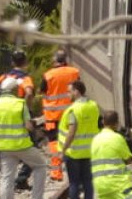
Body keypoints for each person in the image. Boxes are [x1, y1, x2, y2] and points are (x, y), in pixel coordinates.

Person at [0, 77, 48, 199]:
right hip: (22, 145)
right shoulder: (20, 104)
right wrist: (34, 125)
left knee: (7, 177)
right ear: (14, 90)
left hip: (4, 147)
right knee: (41, 165)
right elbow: (28, 127)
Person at [0, 48, 36, 189]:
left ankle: (2, 170)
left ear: (12, 61)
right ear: (25, 61)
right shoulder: (24, 78)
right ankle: (21, 179)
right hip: (19, 113)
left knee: (4, 143)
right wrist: (25, 108)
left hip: (3, 112)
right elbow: (28, 93)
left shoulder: (4, 77)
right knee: (32, 146)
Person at [41, 50, 81, 181]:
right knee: (72, 142)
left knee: (54, 143)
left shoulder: (48, 75)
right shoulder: (74, 72)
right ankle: (76, 173)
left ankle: (56, 173)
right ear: (65, 60)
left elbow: (42, 91)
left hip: (52, 116)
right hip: (70, 113)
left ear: (54, 60)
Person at [60, 80, 101, 199]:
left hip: (74, 153)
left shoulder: (74, 110)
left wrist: (63, 149)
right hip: (89, 151)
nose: (68, 95)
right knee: (88, 181)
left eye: (69, 92)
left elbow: (71, 132)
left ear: (76, 92)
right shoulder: (93, 106)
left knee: (74, 183)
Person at [90, 110, 132, 199]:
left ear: (103, 122)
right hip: (118, 183)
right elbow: (128, 160)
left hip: (100, 184)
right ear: (116, 124)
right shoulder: (117, 138)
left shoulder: (95, 140)